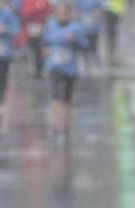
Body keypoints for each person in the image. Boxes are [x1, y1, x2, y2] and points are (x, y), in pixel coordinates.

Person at [43, 1, 88, 136]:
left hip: (70, 68)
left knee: (67, 97)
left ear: (69, 14)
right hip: (54, 66)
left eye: (64, 14)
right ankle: (56, 123)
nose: (62, 16)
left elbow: (85, 45)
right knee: (55, 95)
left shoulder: (75, 28)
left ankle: (66, 122)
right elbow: (45, 41)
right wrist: (45, 49)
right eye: (60, 13)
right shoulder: (51, 26)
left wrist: (75, 39)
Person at [18, 0, 53, 78]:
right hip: (30, 28)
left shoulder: (45, 2)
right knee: (31, 49)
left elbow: (50, 11)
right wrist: (36, 8)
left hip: (41, 28)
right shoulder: (28, 1)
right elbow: (24, 13)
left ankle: (41, 69)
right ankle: (32, 68)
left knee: (40, 49)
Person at [75, 0, 104, 67]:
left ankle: (95, 63)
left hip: (94, 29)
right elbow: (76, 11)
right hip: (83, 29)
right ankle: (86, 64)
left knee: (93, 47)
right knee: (84, 47)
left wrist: (95, 14)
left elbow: (100, 10)